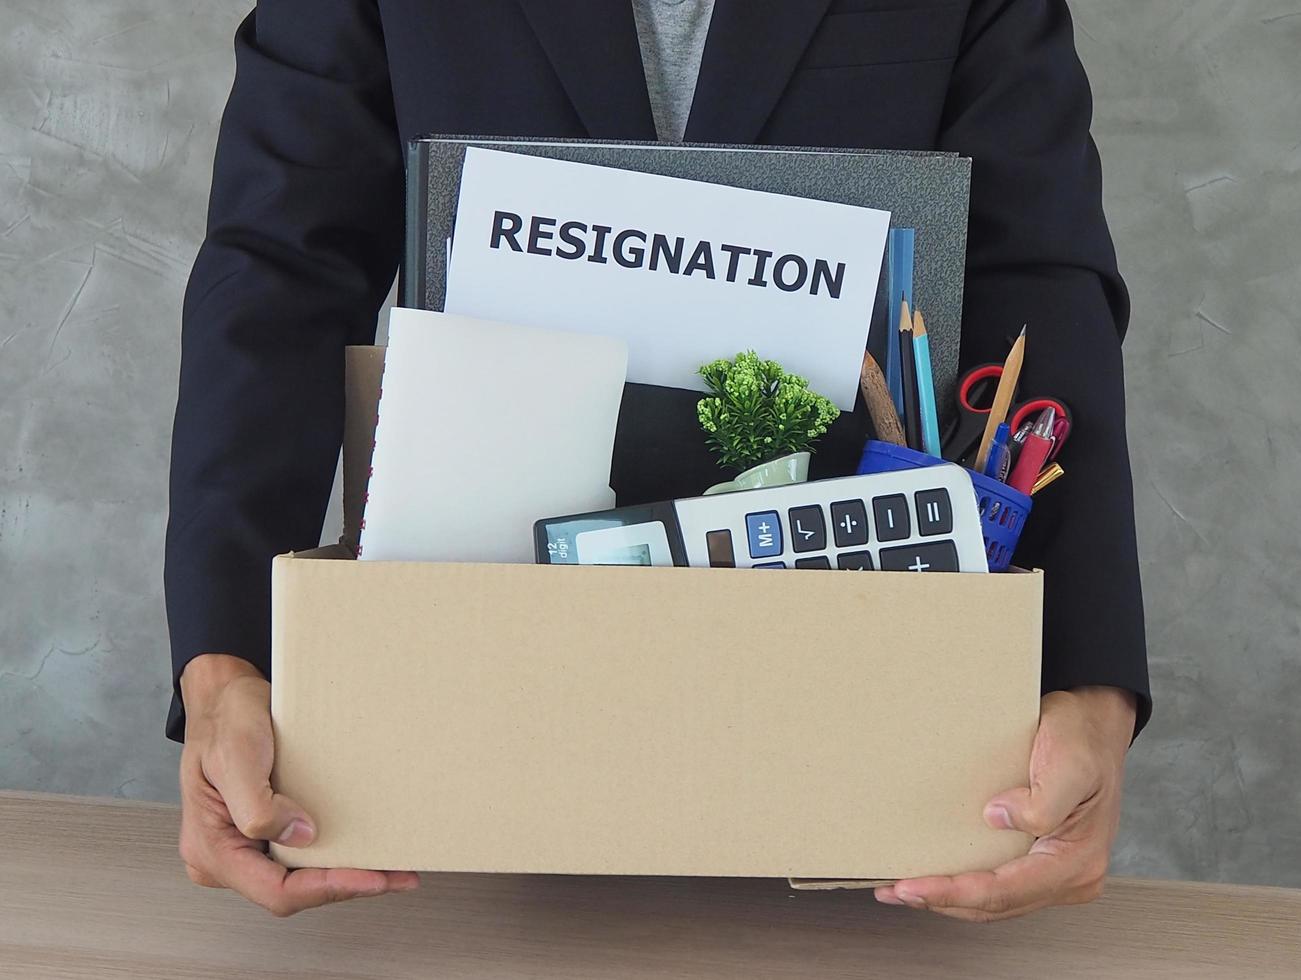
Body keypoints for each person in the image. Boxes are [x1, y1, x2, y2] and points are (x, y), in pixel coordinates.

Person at [168, 0, 1150, 922]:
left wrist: (1084, 684)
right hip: (464, 807)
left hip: (854, 778)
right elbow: (280, 265)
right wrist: (225, 666)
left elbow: (1035, 272)